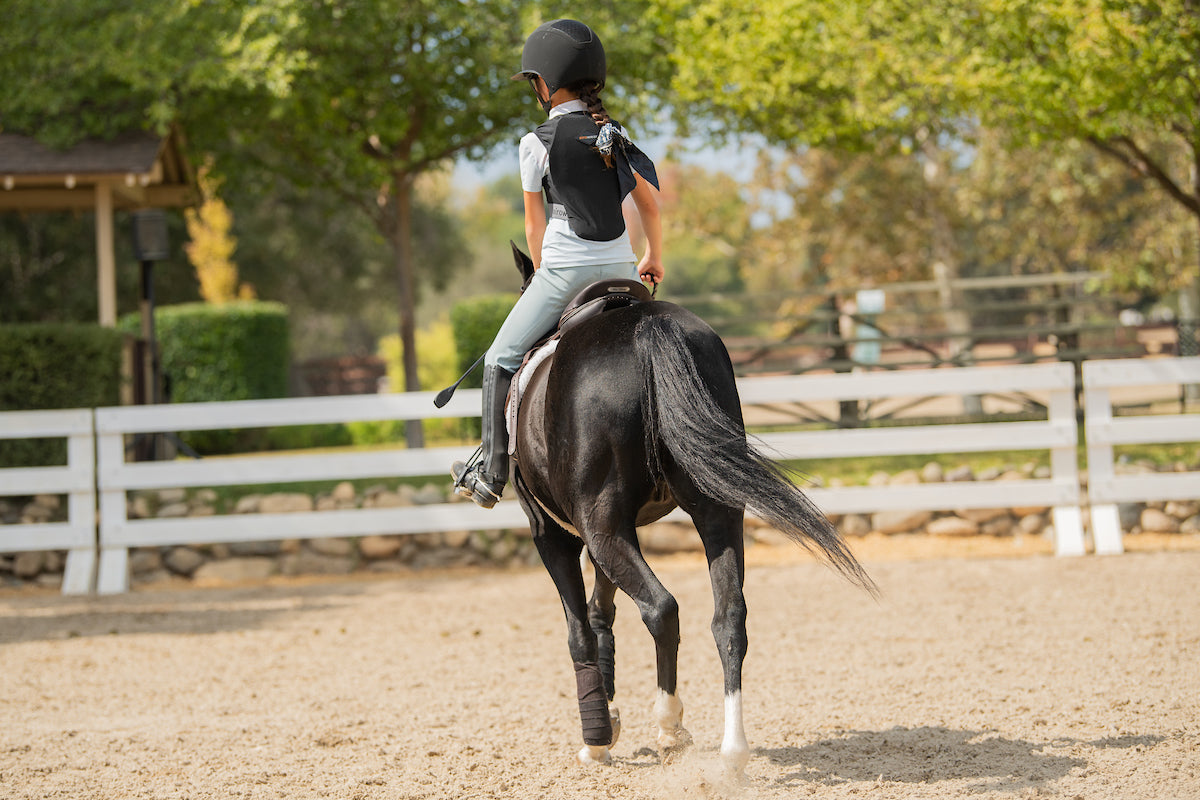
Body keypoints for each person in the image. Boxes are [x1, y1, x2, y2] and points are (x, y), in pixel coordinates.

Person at [451, 18, 664, 509]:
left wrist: (546, 272)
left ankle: (491, 472)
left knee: (501, 357)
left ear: (544, 82)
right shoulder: (615, 133)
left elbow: (533, 229)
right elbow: (649, 206)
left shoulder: (534, 143)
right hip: (622, 271)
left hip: (565, 273)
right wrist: (652, 255)